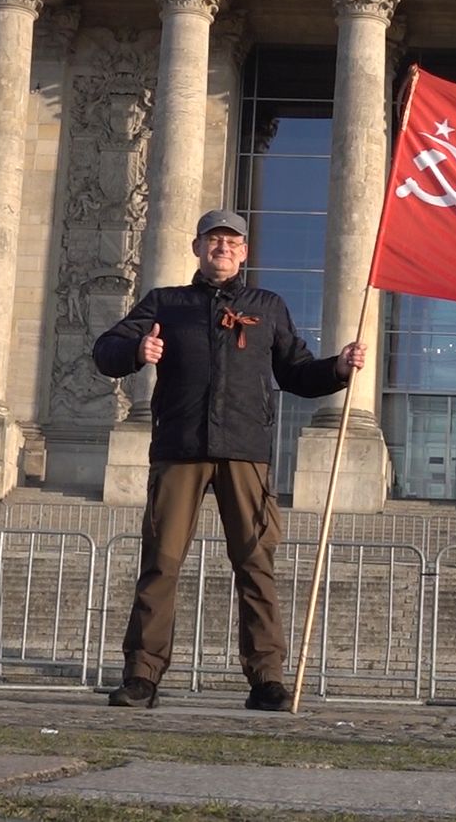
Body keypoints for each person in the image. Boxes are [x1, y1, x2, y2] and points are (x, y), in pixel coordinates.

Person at [93, 209, 367, 711]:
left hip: (245, 452)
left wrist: (339, 368)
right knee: (161, 565)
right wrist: (137, 349)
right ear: (198, 248)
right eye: (214, 240)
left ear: (245, 253)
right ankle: (142, 676)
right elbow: (105, 349)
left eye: (233, 242)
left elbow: (298, 373)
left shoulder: (268, 306)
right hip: (179, 449)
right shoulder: (165, 304)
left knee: (256, 565)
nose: (223, 248)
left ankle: (266, 680)